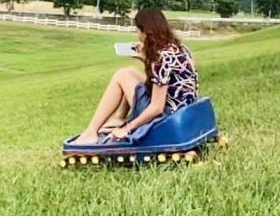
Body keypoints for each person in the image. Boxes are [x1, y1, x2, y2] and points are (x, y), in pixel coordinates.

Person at [73, 8, 198, 145]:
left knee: (121, 75)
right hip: (183, 111)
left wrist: (127, 128)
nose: (138, 35)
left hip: (167, 118)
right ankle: (118, 118)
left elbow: (157, 108)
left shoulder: (161, 58)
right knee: (130, 71)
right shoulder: (181, 49)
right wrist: (145, 59)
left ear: (145, 32)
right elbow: (162, 81)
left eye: (138, 31)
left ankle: (91, 132)